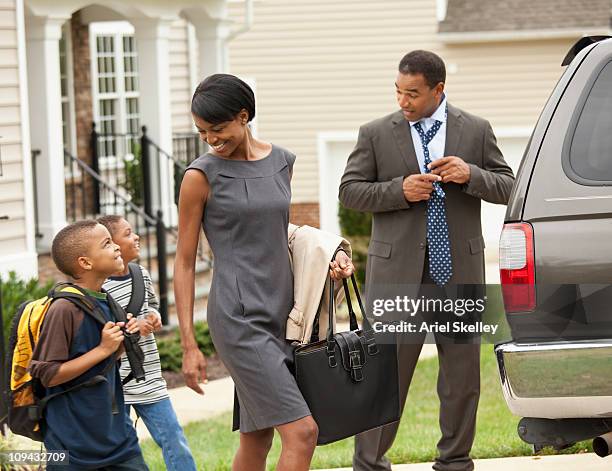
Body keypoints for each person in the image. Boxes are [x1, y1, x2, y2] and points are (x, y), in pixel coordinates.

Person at [339, 50, 515, 471]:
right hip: (396, 275)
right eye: (398, 92)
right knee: (387, 378)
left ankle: (455, 462)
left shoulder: (476, 129)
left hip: (459, 272)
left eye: (413, 93)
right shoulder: (376, 133)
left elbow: (509, 186)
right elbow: (350, 191)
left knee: (461, 381)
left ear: (438, 89)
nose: (403, 101)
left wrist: (470, 175)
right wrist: (400, 190)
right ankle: (369, 464)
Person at [174, 73, 354, 471]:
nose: (209, 139)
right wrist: (189, 344)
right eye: (202, 131)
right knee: (303, 433)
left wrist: (330, 258)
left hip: (285, 313)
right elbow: (184, 261)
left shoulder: (281, 162)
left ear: (244, 116)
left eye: (217, 129)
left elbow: (278, 233)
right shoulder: (199, 177)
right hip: (239, 318)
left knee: (257, 439)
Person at [29, 220, 148, 470]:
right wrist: (103, 350)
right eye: (107, 243)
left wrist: (122, 344)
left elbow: (102, 362)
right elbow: (48, 375)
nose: (116, 247)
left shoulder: (107, 300)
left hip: (116, 436)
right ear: (85, 263)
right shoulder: (64, 309)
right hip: (71, 447)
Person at [98, 215, 197, 471]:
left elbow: (151, 306)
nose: (137, 237)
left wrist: (154, 317)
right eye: (129, 233)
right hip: (117, 384)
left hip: (150, 378)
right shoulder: (100, 287)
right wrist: (131, 329)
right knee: (121, 450)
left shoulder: (140, 274)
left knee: (174, 439)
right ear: (113, 244)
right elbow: (98, 331)